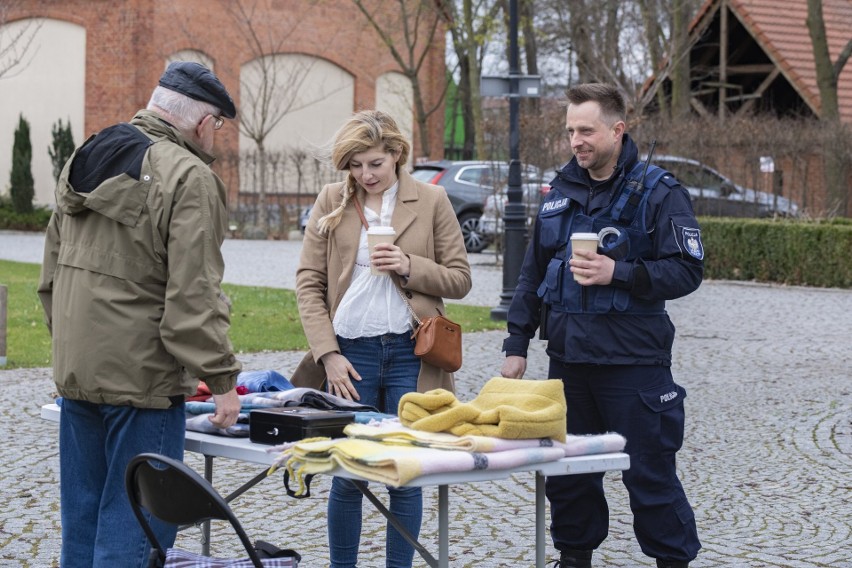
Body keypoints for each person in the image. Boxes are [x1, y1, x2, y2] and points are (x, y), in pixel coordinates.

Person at [37, 61, 243, 567]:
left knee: (82, 527)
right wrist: (221, 380)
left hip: (79, 373)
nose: (217, 136)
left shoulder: (88, 153)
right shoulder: (191, 176)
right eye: (218, 124)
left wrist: (71, 343)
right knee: (135, 531)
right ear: (202, 122)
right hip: (143, 384)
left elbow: (50, 276)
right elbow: (193, 297)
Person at [500, 83, 703, 568]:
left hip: (634, 367)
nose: (576, 141)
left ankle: (672, 562)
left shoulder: (660, 193)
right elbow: (531, 275)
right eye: (571, 131)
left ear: (618, 129)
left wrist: (621, 273)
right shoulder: (558, 196)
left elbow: (688, 270)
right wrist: (516, 343)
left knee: (650, 477)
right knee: (569, 477)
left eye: (586, 130)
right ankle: (574, 560)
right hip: (568, 364)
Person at [294, 110, 471, 568]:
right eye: (355, 164)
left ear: (396, 154)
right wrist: (328, 354)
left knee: (405, 473)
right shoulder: (332, 199)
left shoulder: (432, 200)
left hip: (412, 353)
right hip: (351, 355)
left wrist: (409, 265)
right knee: (349, 472)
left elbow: (460, 278)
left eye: (374, 163)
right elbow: (308, 283)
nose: (364, 175)